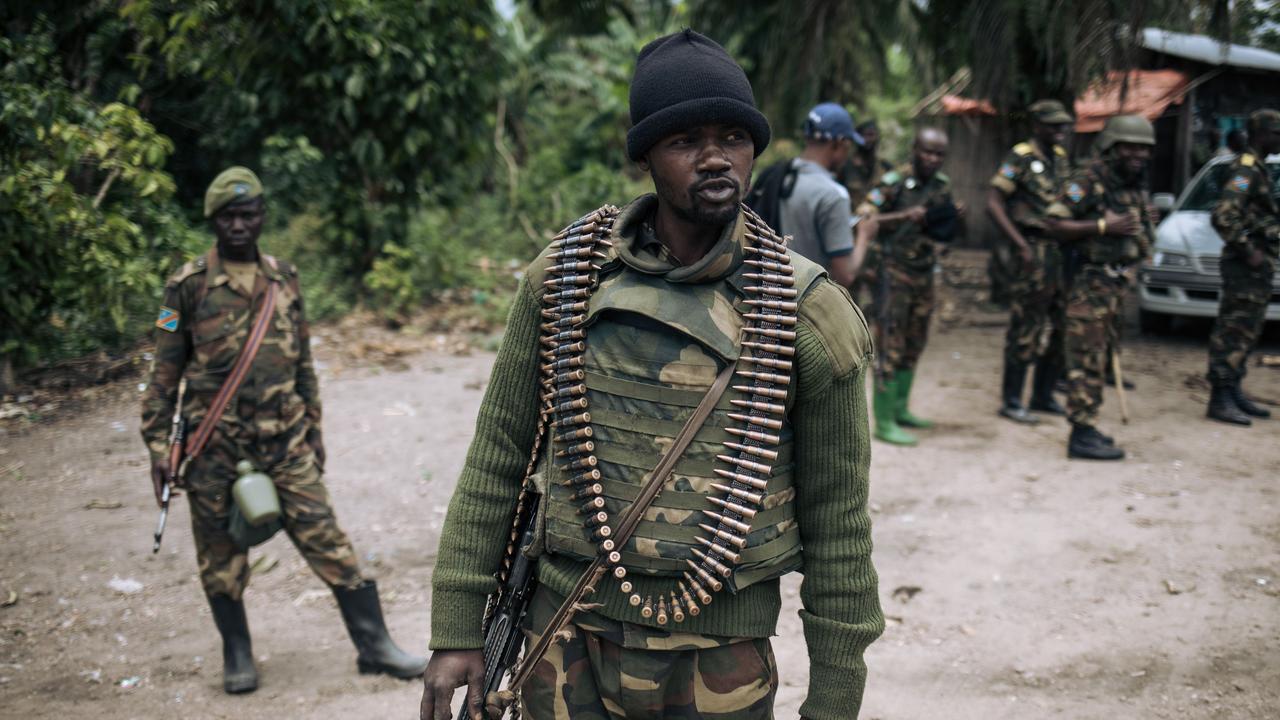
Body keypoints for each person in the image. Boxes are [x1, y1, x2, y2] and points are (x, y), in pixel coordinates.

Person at [419, 30, 883, 720]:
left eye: (733, 136)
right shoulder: (565, 279)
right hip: (564, 633)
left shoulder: (807, 311)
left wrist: (836, 700)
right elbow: (498, 456)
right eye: (685, 141)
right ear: (645, 157)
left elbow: (839, 525)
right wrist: (457, 628)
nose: (716, 158)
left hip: (719, 657)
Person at [139, 167, 427, 694]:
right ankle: (238, 652)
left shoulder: (284, 280)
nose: (240, 225)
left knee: (330, 542)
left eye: (249, 215)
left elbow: (303, 364)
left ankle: (376, 647)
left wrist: (314, 428)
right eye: (229, 216)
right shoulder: (185, 288)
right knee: (221, 559)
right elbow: (163, 375)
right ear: (214, 221)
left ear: (262, 217)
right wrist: (160, 446)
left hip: (285, 441)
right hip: (213, 447)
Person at [1045, 115, 1157, 460]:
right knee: (1085, 359)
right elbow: (1053, 222)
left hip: (1114, 284)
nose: (1138, 154)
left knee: (1100, 359)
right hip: (1088, 284)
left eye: (1144, 149)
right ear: (1112, 147)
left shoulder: (1131, 182)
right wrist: (1102, 226)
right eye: (1130, 147)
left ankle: (1088, 425)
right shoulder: (1088, 179)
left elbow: (1134, 229)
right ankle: (1080, 433)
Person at [852, 128, 964, 446]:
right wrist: (904, 215)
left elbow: (944, 230)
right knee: (890, 343)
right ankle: (884, 421)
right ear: (914, 149)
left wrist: (955, 218)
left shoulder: (942, 186)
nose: (932, 159)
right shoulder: (893, 183)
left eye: (939, 154)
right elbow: (863, 217)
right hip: (892, 274)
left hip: (924, 273)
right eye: (927, 151)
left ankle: (902, 409)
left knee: (916, 340)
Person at [987, 99, 1074, 425]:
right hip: (1033, 250)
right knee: (1027, 325)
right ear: (1037, 125)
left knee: (1062, 323)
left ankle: (1043, 394)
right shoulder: (1020, 157)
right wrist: (1020, 244)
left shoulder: (1061, 159)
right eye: (1053, 125)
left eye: (1063, 124)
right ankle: (1011, 400)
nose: (1060, 130)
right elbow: (993, 203)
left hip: (1062, 252)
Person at [1205, 109, 1280, 425]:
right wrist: (1248, 251)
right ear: (1261, 134)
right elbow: (1222, 215)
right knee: (1234, 330)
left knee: (1247, 330)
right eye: (1277, 132)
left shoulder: (1258, 168)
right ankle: (1220, 398)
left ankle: (1233, 389)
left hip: (1257, 265)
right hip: (1244, 266)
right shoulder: (1245, 170)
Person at [777, 102, 869, 289]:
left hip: (767, 292)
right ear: (839, 143)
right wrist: (865, 235)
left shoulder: (779, 176)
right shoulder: (833, 194)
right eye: (848, 145)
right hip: (806, 302)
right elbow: (845, 275)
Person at [840, 119, 895, 306]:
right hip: (851, 240)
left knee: (882, 301)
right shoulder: (845, 168)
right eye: (865, 135)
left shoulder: (886, 169)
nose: (869, 140)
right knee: (850, 296)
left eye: (872, 135)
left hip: (880, 243)